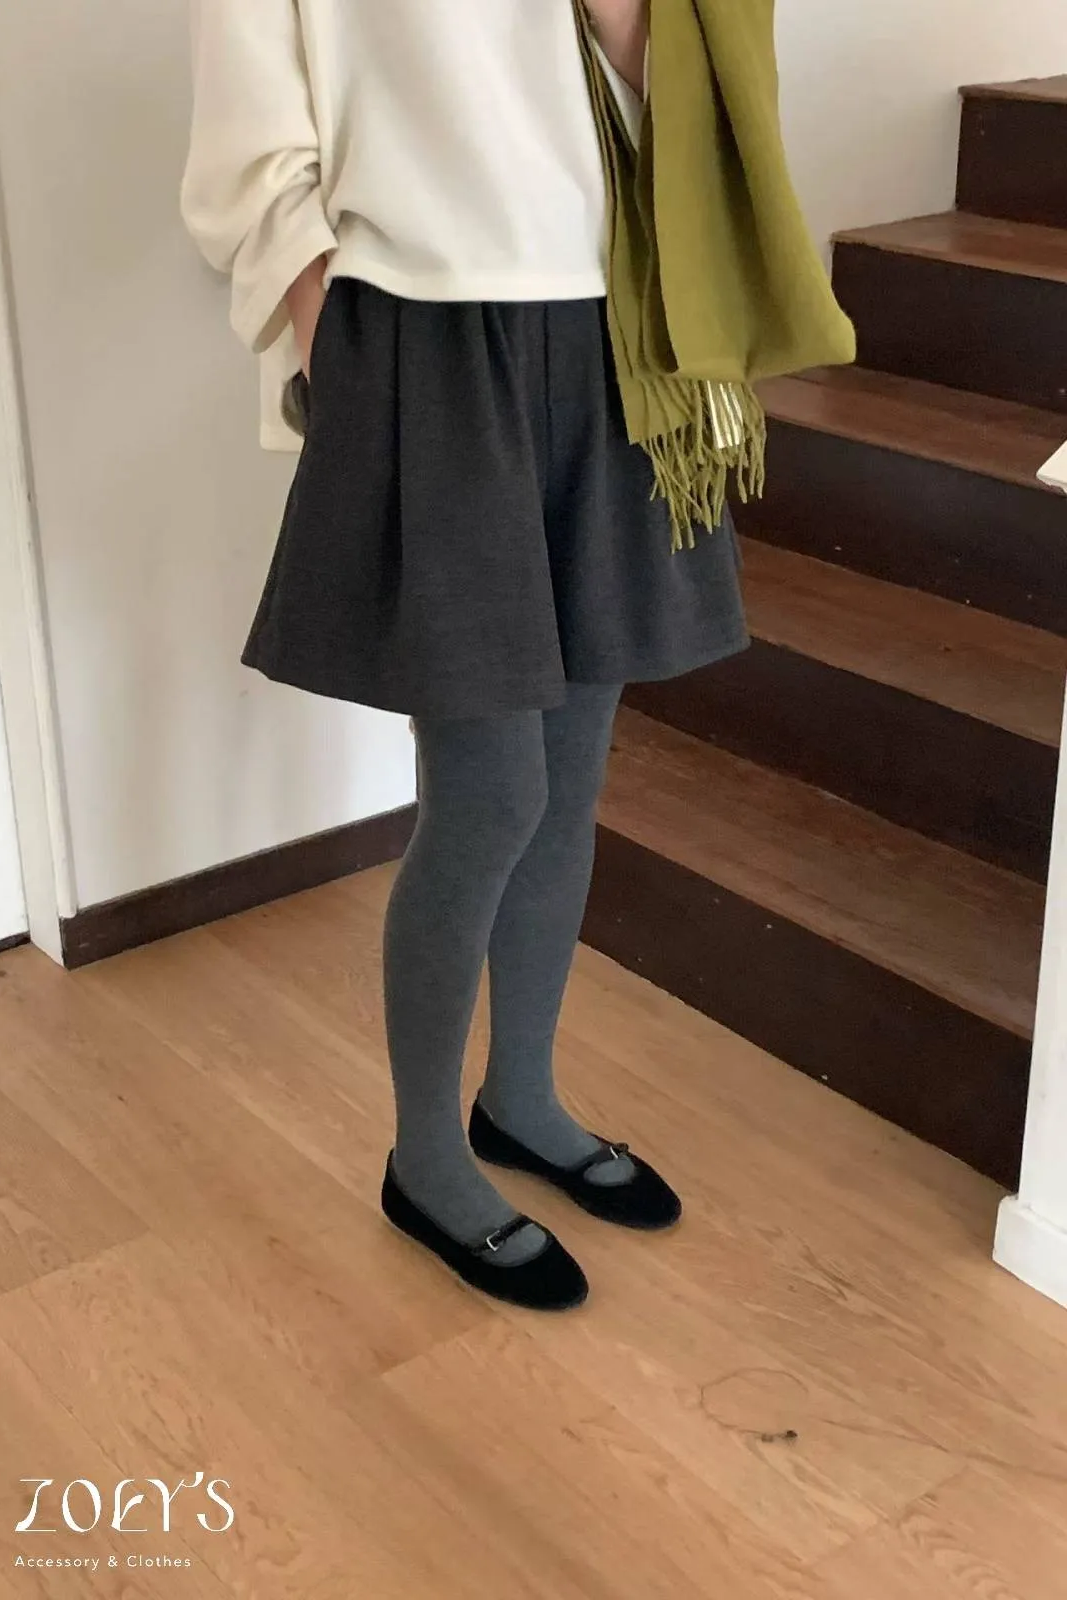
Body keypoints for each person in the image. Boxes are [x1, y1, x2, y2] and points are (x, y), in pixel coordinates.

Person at [181, 0, 754, 1313]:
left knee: (568, 783)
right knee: (490, 796)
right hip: (427, 337)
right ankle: (426, 1158)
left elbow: (671, 105)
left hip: (616, 332)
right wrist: (336, 342)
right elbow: (246, 153)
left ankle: (523, 1101)